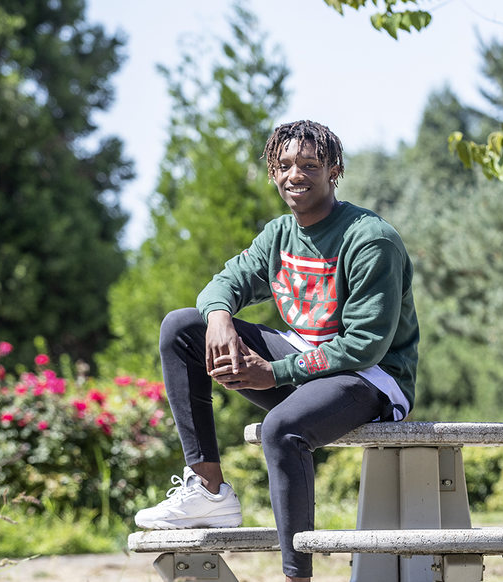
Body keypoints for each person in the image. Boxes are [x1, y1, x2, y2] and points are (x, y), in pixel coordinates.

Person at [135, 120, 419, 581]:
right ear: (272, 170)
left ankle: (295, 576)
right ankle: (209, 492)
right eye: (284, 165)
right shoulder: (279, 235)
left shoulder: (371, 239)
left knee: (280, 428)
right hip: (305, 362)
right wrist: (220, 317)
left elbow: (367, 344)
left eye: (309, 165)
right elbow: (223, 283)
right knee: (183, 327)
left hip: (372, 380)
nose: (295, 175)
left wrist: (277, 371)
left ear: (334, 171)